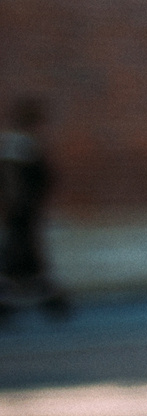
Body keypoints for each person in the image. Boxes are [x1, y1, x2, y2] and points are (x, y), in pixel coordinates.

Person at [0, 97, 71, 321]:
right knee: (22, 256)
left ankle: (41, 297)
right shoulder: (19, 147)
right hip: (22, 213)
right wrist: (19, 206)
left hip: (24, 212)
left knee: (24, 258)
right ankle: (49, 299)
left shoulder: (20, 146)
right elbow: (16, 182)